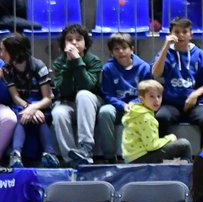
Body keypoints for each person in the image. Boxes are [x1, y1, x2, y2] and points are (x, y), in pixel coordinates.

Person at [50, 23, 104, 167]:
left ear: (85, 44)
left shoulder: (94, 61)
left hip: (90, 102)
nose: (74, 42)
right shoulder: (59, 63)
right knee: (58, 113)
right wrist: (69, 63)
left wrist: (78, 61)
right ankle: (72, 159)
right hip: (67, 102)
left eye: (79, 39)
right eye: (69, 39)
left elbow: (88, 85)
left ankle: (85, 148)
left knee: (83, 94)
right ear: (63, 45)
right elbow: (64, 90)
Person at [1, 32, 58, 168]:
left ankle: (50, 154)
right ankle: (16, 155)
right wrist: (28, 108)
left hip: (40, 104)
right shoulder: (7, 70)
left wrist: (34, 108)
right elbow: (15, 97)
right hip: (21, 104)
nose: (1, 54)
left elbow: (47, 98)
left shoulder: (38, 66)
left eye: (3, 50)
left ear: (14, 51)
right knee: (23, 115)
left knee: (39, 117)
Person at [150, 16, 203, 130]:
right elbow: (156, 73)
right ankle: (163, 148)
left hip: (195, 102)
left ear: (191, 35)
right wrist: (166, 47)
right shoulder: (166, 53)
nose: (180, 35)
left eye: (185, 32)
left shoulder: (200, 54)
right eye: (176, 32)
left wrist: (195, 94)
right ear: (170, 34)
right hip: (171, 103)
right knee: (161, 117)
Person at [98, 33, 152, 163]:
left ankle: (142, 155)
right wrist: (122, 105)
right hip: (118, 106)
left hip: (138, 105)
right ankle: (109, 157)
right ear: (112, 52)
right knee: (104, 112)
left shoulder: (144, 67)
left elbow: (148, 92)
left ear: (132, 49)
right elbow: (108, 94)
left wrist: (134, 103)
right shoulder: (108, 69)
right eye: (116, 49)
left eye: (124, 47)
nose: (121, 51)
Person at [121, 79, 194, 165]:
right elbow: (151, 146)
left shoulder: (136, 111)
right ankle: (185, 173)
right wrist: (169, 138)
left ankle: (176, 165)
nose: (156, 100)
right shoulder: (145, 117)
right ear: (142, 99)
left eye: (159, 96)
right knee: (184, 145)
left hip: (132, 157)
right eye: (152, 96)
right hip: (139, 159)